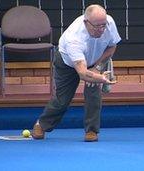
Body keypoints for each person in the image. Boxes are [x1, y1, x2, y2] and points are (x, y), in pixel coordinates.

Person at [31, 4, 121, 142]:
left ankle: (91, 131)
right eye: (97, 26)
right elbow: (83, 73)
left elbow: (112, 46)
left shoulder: (108, 22)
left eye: (103, 25)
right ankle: (41, 125)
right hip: (68, 63)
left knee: (93, 94)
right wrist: (101, 79)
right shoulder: (74, 39)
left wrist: (97, 67)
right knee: (62, 99)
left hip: (95, 60)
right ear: (86, 22)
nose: (102, 29)